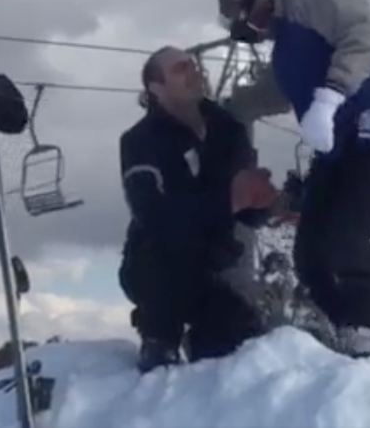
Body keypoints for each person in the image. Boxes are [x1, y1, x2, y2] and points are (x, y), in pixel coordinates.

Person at [231, 0, 370, 357]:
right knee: (309, 253)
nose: (258, 27)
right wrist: (224, 111)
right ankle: (346, 326)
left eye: (254, 16)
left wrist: (330, 96)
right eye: (248, 27)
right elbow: (271, 92)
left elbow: (363, 36)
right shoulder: (286, 45)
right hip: (342, 149)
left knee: (344, 238)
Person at [118, 45, 284, 373]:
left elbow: (246, 208)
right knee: (160, 254)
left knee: (237, 340)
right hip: (154, 266)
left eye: (194, 65)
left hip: (211, 267)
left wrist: (268, 205)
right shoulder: (140, 141)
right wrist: (231, 200)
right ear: (156, 88)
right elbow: (153, 215)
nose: (194, 72)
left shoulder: (229, 130)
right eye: (180, 69)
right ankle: (158, 341)